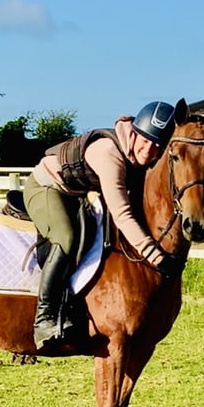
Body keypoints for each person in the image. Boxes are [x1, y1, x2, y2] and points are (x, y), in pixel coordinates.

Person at [23, 100, 185, 350]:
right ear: (135, 133)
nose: (149, 150)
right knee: (66, 236)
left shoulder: (140, 156)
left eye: (157, 145)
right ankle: (44, 318)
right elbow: (122, 213)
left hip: (78, 194)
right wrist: (154, 255)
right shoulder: (109, 153)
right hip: (48, 186)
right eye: (145, 140)